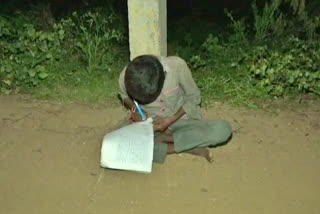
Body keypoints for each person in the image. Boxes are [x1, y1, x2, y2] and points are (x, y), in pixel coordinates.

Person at [118, 55, 232, 163]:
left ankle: (166, 139)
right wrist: (136, 110)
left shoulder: (177, 66)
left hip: (181, 119)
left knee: (223, 130)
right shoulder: (126, 76)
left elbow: (194, 97)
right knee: (120, 145)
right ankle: (187, 147)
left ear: (164, 75)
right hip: (150, 124)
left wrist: (170, 120)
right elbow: (124, 96)